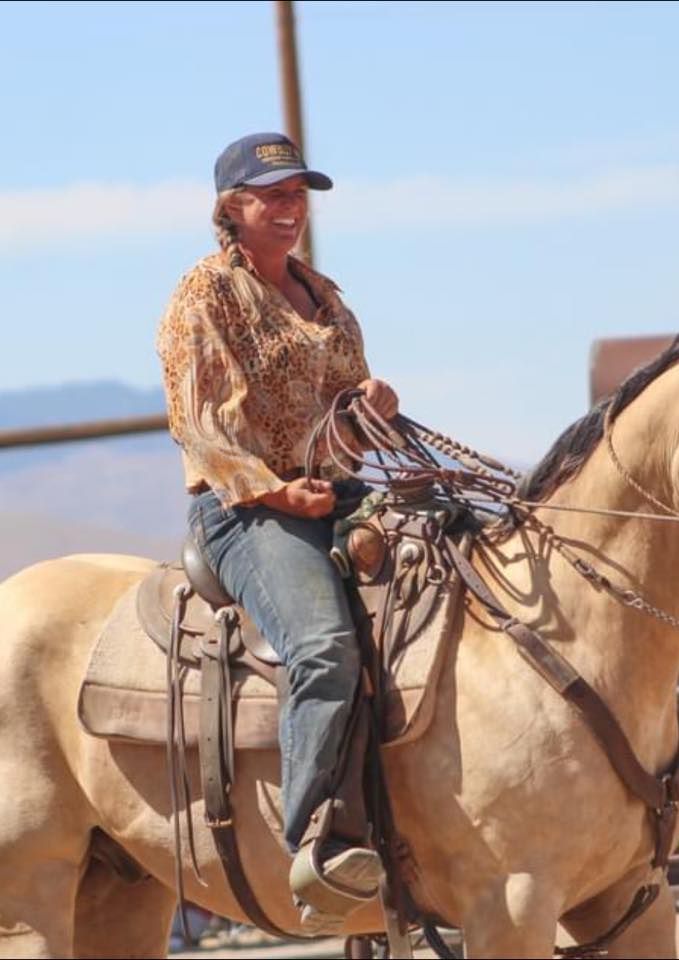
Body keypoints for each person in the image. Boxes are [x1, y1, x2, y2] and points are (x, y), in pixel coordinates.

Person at [156, 132, 397, 924]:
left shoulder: (325, 299)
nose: (292, 210)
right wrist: (275, 492)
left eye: (300, 195)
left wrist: (369, 416)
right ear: (234, 207)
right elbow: (201, 429)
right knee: (324, 645)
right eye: (275, 196)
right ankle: (317, 841)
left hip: (330, 497)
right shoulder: (205, 296)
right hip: (241, 512)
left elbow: (339, 433)